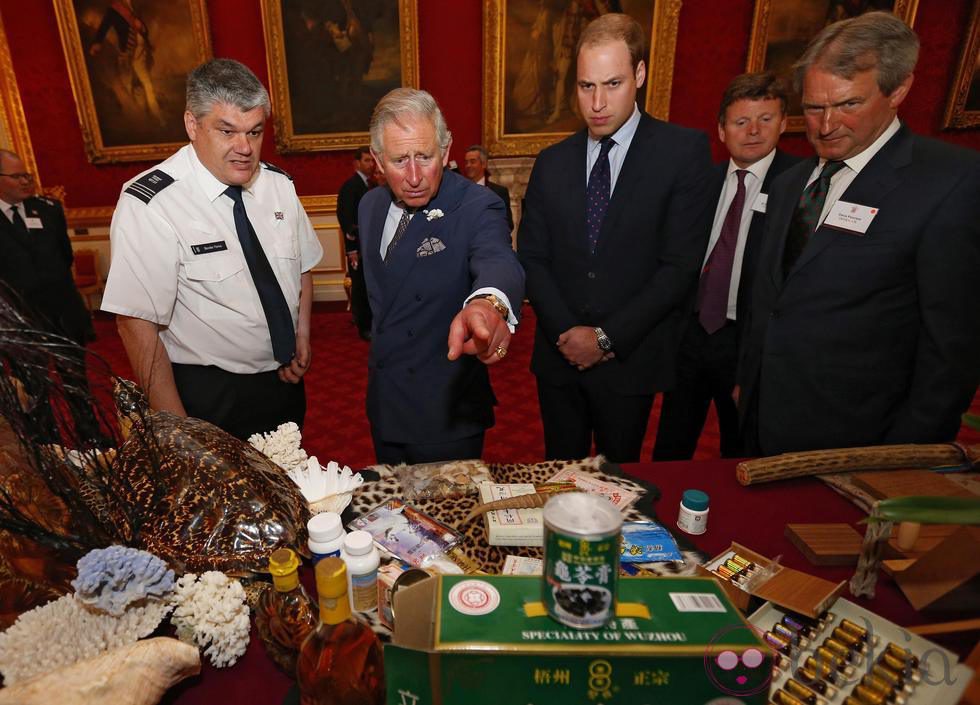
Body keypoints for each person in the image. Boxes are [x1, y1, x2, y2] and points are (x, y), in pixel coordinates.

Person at [738, 12, 980, 455]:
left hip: (858, 441)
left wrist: (902, 459)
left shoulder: (950, 184)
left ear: (898, 91)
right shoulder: (793, 181)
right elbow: (773, 302)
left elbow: (952, 352)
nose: (826, 125)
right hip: (761, 425)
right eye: (813, 107)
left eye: (849, 104)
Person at [518, 13, 715, 463]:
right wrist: (567, 332)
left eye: (613, 83)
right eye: (587, 86)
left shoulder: (681, 152)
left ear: (640, 75)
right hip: (558, 357)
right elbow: (532, 256)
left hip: (631, 360)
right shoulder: (552, 161)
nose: (598, 102)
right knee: (560, 482)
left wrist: (605, 338)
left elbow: (679, 266)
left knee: (619, 491)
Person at [101, 58, 323, 440]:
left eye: (255, 132)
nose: (245, 148)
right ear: (192, 125)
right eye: (227, 131)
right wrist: (179, 428)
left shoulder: (278, 184)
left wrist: (300, 336)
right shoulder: (153, 202)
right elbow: (136, 324)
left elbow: (301, 267)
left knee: (287, 487)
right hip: (208, 394)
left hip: (282, 381)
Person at [359, 88, 524, 464]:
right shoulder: (369, 205)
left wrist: (489, 303)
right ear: (378, 161)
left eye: (425, 157)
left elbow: (499, 259)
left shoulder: (477, 205)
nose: (415, 176)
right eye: (400, 160)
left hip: (445, 411)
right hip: (385, 402)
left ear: (446, 151)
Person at [653, 73, 799, 461]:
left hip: (748, 339)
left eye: (765, 119)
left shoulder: (801, 186)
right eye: (740, 122)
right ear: (721, 130)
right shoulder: (704, 182)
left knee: (741, 448)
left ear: (783, 123)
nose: (753, 131)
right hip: (693, 331)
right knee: (672, 442)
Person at [0, 150, 93, 346]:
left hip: (63, 309)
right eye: (17, 176)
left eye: (27, 175)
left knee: (74, 372)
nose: (25, 181)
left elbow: (65, 255)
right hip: (18, 316)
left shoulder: (49, 209)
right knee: (30, 375)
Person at [337, 146, 375, 340]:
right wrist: (351, 249)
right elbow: (346, 219)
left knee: (370, 285)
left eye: (372, 160)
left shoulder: (371, 185)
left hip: (370, 248)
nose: (371, 164)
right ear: (357, 163)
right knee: (360, 286)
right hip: (357, 249)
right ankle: (364, 327)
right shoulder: (351, 186)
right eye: (367, 160)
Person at [463, 144, 514, 232]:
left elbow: (508, 224)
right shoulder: (461, 191)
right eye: (466, 162)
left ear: (484, 164)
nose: (468, 165)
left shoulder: (499, 192)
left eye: (472, 161)